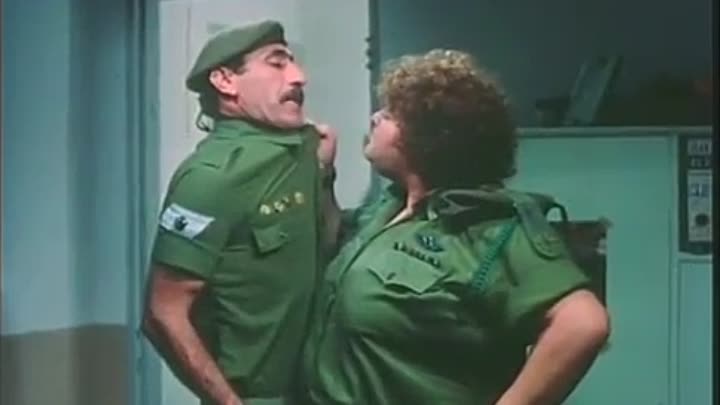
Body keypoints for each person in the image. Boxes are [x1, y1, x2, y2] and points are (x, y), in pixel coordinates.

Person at [301, 49, 610, 405]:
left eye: (392, 114)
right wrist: (323, 174)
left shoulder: (488, 228)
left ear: (430, 137)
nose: (376, 118)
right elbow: (332, 239)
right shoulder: (389, 209)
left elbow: (583, 324)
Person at [142, 20, 340, 405]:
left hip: (322, 390)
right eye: (277, 63)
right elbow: (163, 314)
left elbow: (328, 244)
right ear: (226, 81)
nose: (299, 77)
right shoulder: (210, 177)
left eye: (293, 62)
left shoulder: (304, 149)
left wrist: (325, 174)